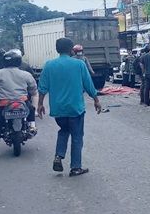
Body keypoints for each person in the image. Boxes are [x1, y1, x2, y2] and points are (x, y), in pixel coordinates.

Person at [37, 37, 102, 177]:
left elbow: (42, 87)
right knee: (77, 136)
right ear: (71, 50)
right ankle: (75, 167)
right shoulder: (79, 64)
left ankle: (58, 156)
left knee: (63, 130)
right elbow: (88, 85)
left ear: (57, 49)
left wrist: (40, 104)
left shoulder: (49, 65)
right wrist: (96, 100)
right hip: (75, 108)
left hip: (58, 109)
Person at [0, 51, 38, 157]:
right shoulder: (25, 74)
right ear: (19, 61)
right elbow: (34, 92)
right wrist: (36, 110)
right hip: (22, 103)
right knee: (31, 108)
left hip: (3, 105)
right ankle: (32, 126)